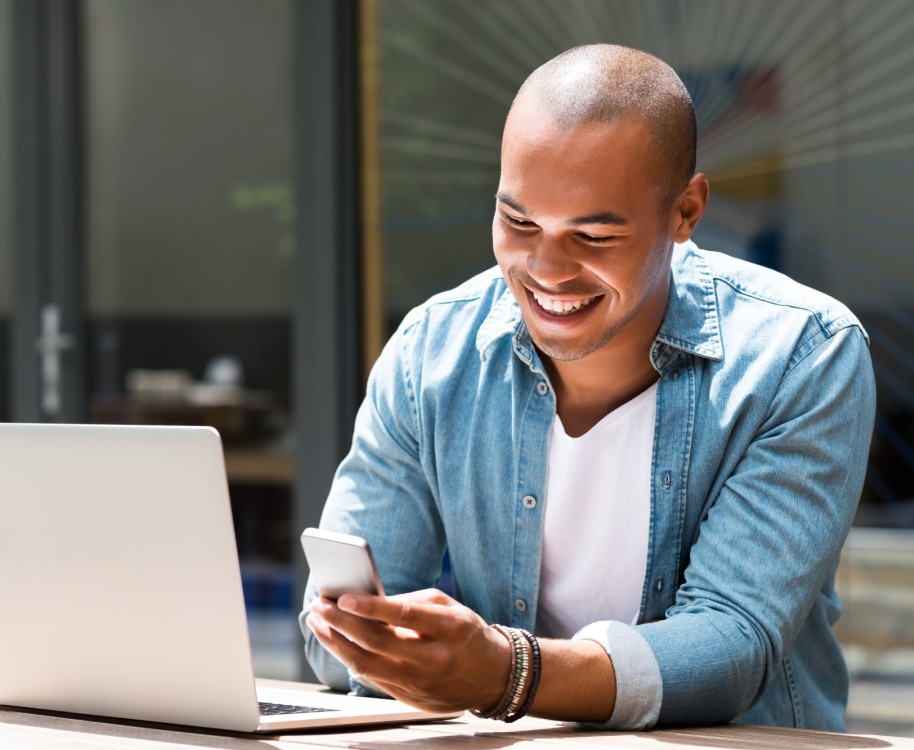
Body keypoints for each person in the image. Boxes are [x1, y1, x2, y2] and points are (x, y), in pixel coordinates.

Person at [299, 44, 875, 731]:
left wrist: (503, 672)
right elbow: (334, 638)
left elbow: (731, 645)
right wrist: (371, 640)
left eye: (594, 235)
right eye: (519, 223)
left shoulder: (802, 355)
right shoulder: (433, 354)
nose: (546, 270)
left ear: (685, 212)